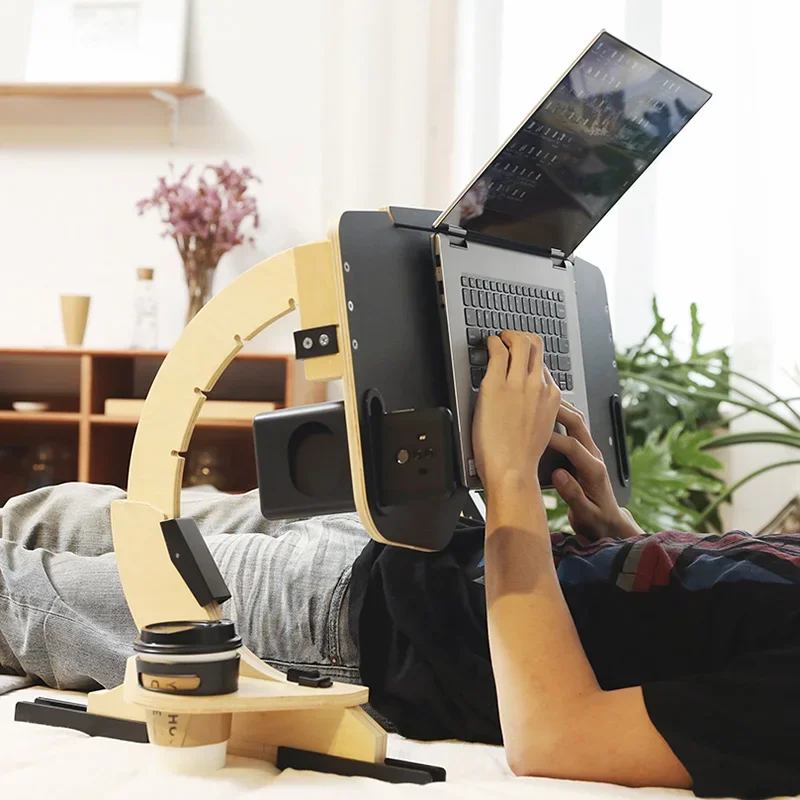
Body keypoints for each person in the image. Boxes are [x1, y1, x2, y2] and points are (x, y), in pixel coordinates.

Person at [1, 331, 799, 798]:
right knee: (59, 512)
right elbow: (699, 620)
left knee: (19, 597)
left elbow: (556, 736)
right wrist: (614, 532)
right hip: (413, 542)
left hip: (361, 629)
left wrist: (516, 477)